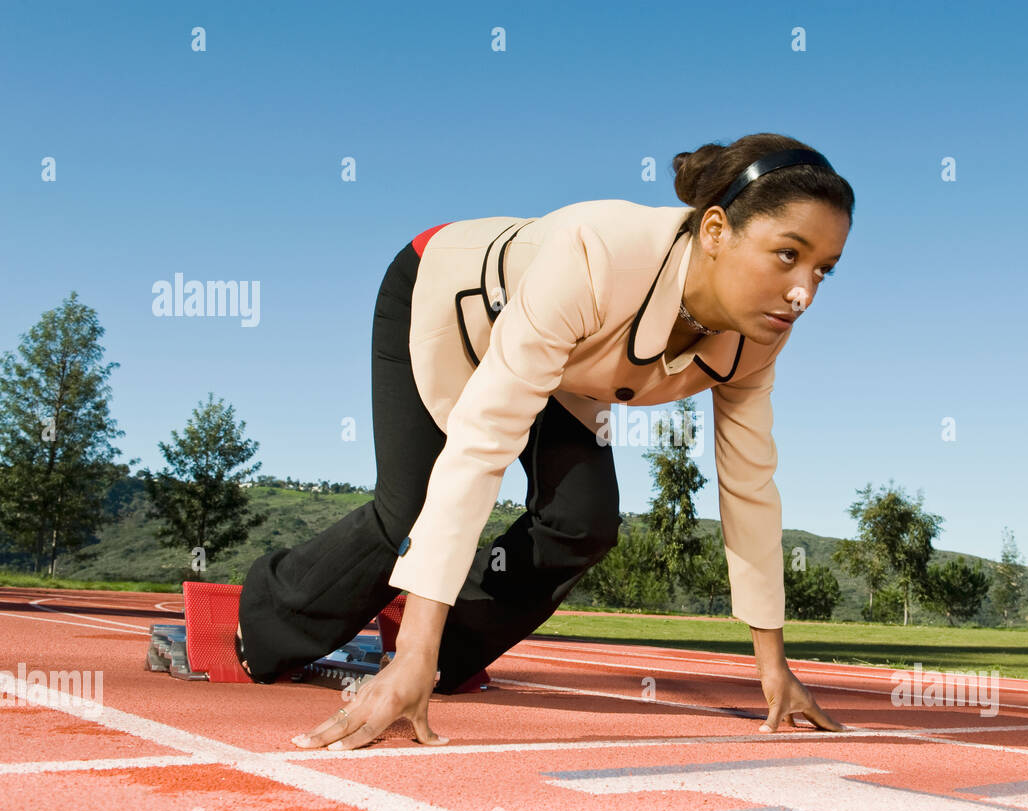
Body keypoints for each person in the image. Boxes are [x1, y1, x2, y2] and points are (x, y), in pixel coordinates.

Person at [236, 131, 854, 750]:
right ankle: (263, 618)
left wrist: (773, 669)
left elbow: (749, 486)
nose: (804, 293)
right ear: (716, 230)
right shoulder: (598, 254)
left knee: (582, 522)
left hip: (574, 363)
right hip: (451, 300)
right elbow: (483, 443)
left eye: (823, 270)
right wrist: (411, 650)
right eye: (787, 255)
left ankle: (433, 646)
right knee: (411, 507)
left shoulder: (760, 333)